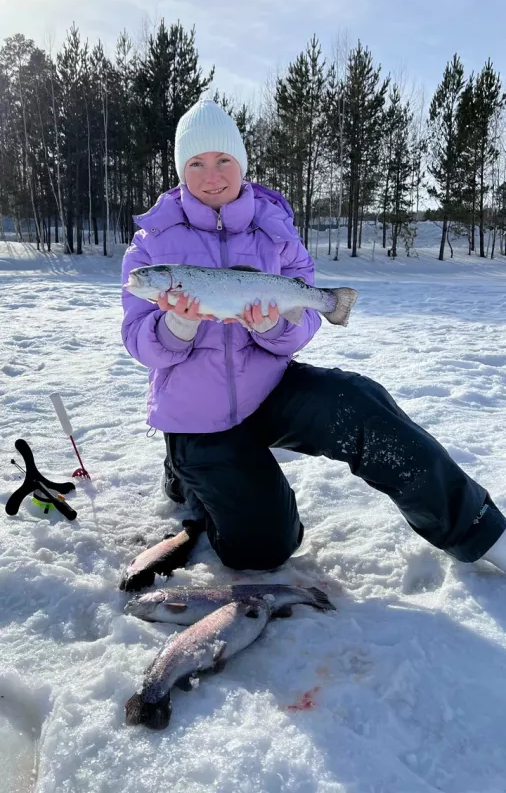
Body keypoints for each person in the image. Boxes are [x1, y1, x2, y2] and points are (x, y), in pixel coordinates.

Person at [121, 99, 506, 574]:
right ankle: (187, 478)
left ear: (241, 163)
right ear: (181, 171)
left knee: (360, 400)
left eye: (223, 159)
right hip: (196, 415)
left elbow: (302, 321)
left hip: (269, 391)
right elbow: (139, 341)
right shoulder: (152, 245)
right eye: (196, 163)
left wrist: (274, 325)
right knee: (263, 550)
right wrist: (177, 325)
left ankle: (483, 532)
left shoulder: (275, 230)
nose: (211, 174)